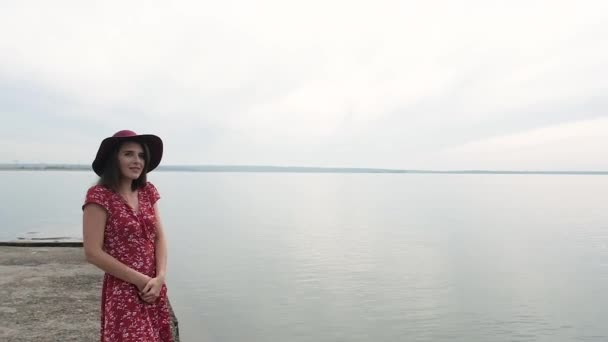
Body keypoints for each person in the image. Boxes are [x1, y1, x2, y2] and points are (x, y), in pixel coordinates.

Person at [82, 130, 173, 341]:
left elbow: (159, 237)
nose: (137, 161)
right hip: (124, 290)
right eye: (128, 154)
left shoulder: (147, 191)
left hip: (153, 287)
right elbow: (92, 252)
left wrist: (160, 277)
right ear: (114, 159)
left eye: (141, 155)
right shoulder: (99, 196)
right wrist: (140, 280)